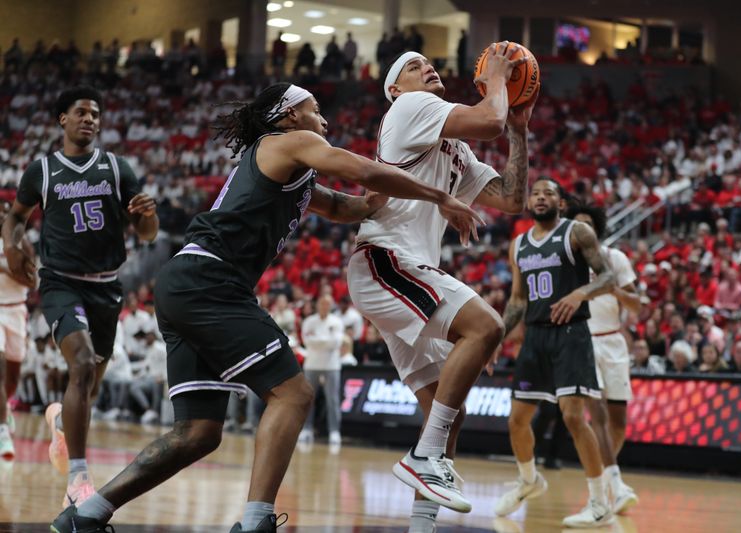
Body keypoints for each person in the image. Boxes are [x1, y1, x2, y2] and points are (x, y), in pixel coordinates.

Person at [50, 82, 481, 533]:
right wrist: (439, 197)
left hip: (188, 282)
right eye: (316, 110)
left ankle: (87, 515)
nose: (325, 120)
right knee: (294, 394)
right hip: (211, 281)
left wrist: (390, 195)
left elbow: (342, 204)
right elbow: (359, 170)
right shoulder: (290, 141)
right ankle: (255, 523)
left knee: (197, 433)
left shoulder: (286, 164)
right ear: (290, 114)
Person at [347, 43, 535, 528]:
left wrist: (519, 129)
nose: (427, 67)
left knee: (448, 414)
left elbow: (512, 200)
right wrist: (497, 78)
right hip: (385, 260)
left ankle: (421, 525)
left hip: (403, 270)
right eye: (414, 66)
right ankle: (423, 457)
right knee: (486, 328)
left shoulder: (453, 144)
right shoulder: (409, 108)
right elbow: (488, 119)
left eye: (428, 64)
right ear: (394, 89)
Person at [3, 86, 159, 505]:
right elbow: (15, 218)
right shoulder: (43, 171)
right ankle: (78, 478)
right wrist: (13, 247)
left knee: (87, 387)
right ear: (63, 120)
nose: (90, 119)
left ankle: (60, 425)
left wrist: (148, 215)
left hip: (107, 285)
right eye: (81, 112)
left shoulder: (117, 167)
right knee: (83, 363)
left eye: (95, 114)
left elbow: (148, 235)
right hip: (60, 282)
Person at [493, 177, 616, 528]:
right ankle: (529, 480)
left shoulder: (577, 233)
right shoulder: (518, 245)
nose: (541, 198)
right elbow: (518, 299)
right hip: (535, 336)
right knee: (517, 419)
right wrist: (497, 338)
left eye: (549, 194)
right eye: (536, 193)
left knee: (574, 417)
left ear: (561, 203)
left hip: (571, 334)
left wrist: (580, 294)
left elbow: (607, 277)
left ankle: (598, 502)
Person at [566, 203, 640, 515]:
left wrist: (610, 290)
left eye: (587, 225)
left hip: (613, 340)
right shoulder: (566, 262)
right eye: (576, 225)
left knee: (618, 423)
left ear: (597, 229)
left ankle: (607, 479)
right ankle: (612, 485)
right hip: (581, 340)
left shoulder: (615, 258)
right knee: (596, 416)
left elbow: (637, 305)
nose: (582, 230)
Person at [0, 202, 35, 460]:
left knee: (12, 378)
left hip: (16, 311)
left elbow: (32, 282)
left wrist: (5, 268)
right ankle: (2, 432)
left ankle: (6, 408)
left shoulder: (22, 244)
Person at [298, 294, 345, 444]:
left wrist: (317, 340)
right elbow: (307, 342)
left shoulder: (337, 322)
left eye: (327, 304)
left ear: (331, 306)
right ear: (317, 305)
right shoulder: (309, 321)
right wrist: (325, 340)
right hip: (312, 364)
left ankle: (334, 431)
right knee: (308, 399)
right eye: (322, 303)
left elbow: (336, 343)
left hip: (332, 366)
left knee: (332, 399)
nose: (324, 306)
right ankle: (306, 429)